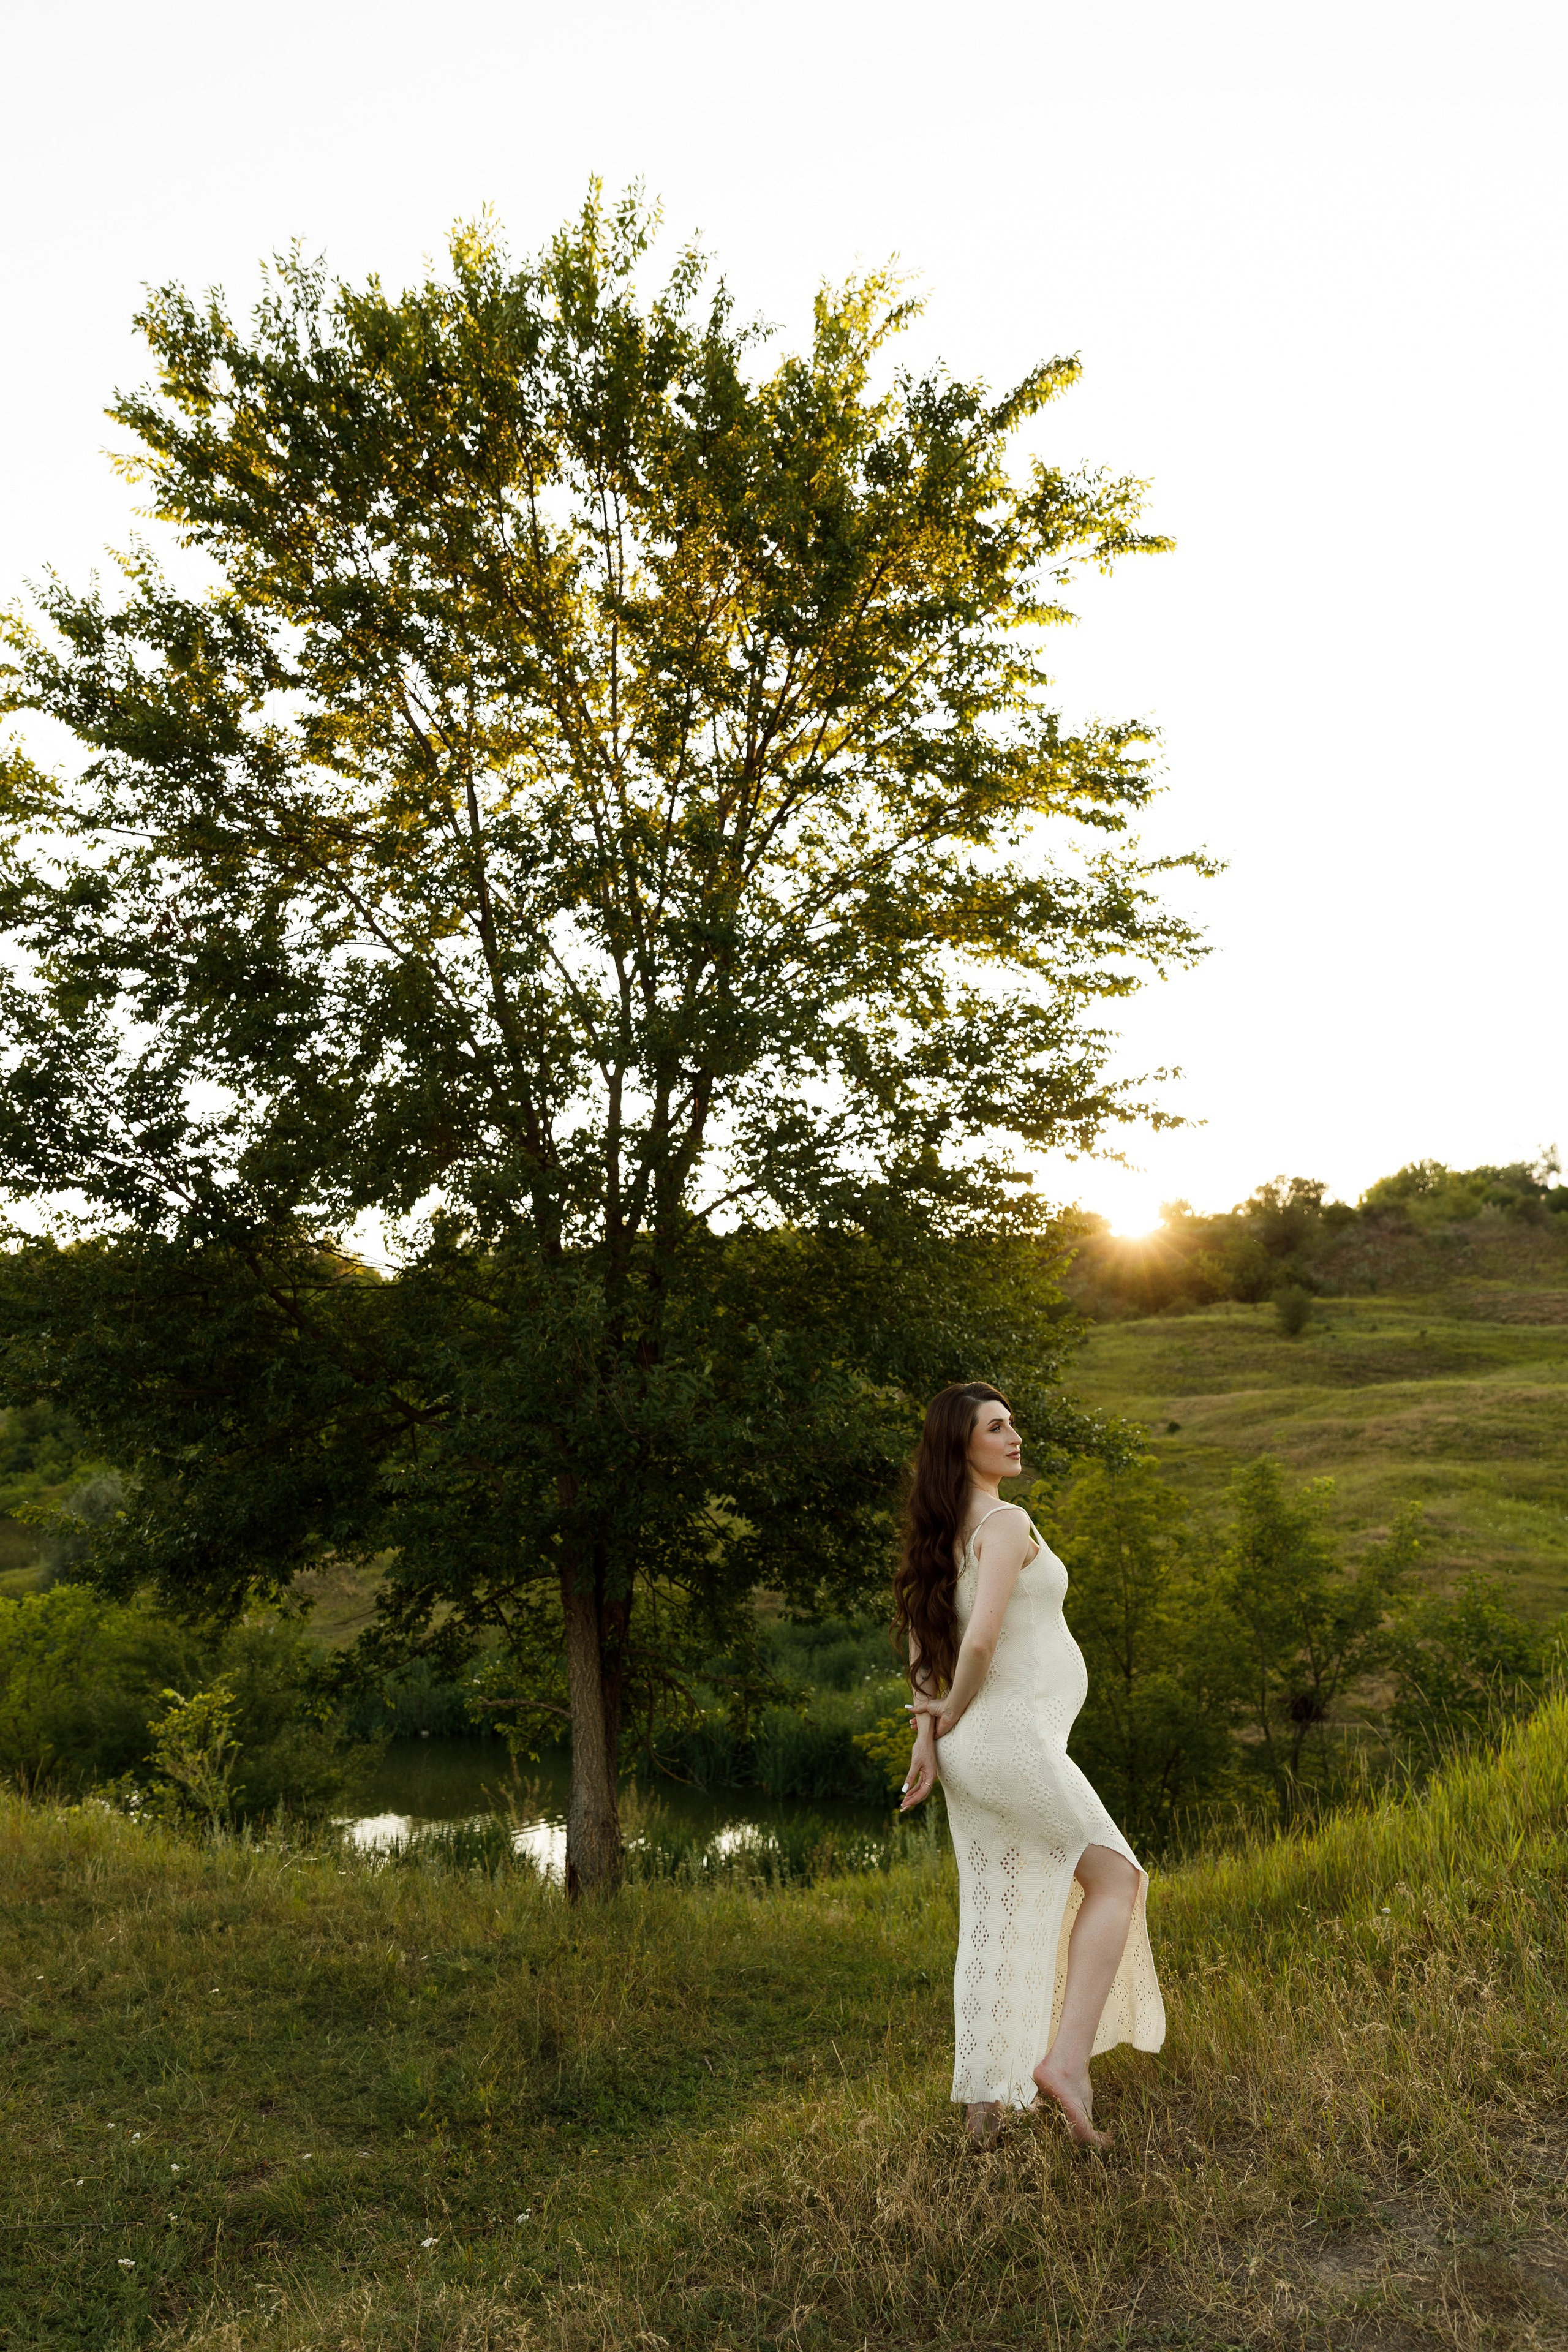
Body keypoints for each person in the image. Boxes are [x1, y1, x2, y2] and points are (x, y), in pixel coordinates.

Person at [896, 1382, 1164, 2149]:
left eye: (1012, 1423)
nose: (1015, 1436)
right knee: (1117, 1878)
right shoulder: (1005, 1522)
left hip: (973, 1751)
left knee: (999, 1912)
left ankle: (987, 2108)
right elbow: (974, 1645)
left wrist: (930, 1734)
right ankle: (1065, 2066)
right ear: (963, 1445)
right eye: (996, 1427)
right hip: (1006, 1739)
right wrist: (948, 1715)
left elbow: (925, 1641)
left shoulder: (941, 1534)